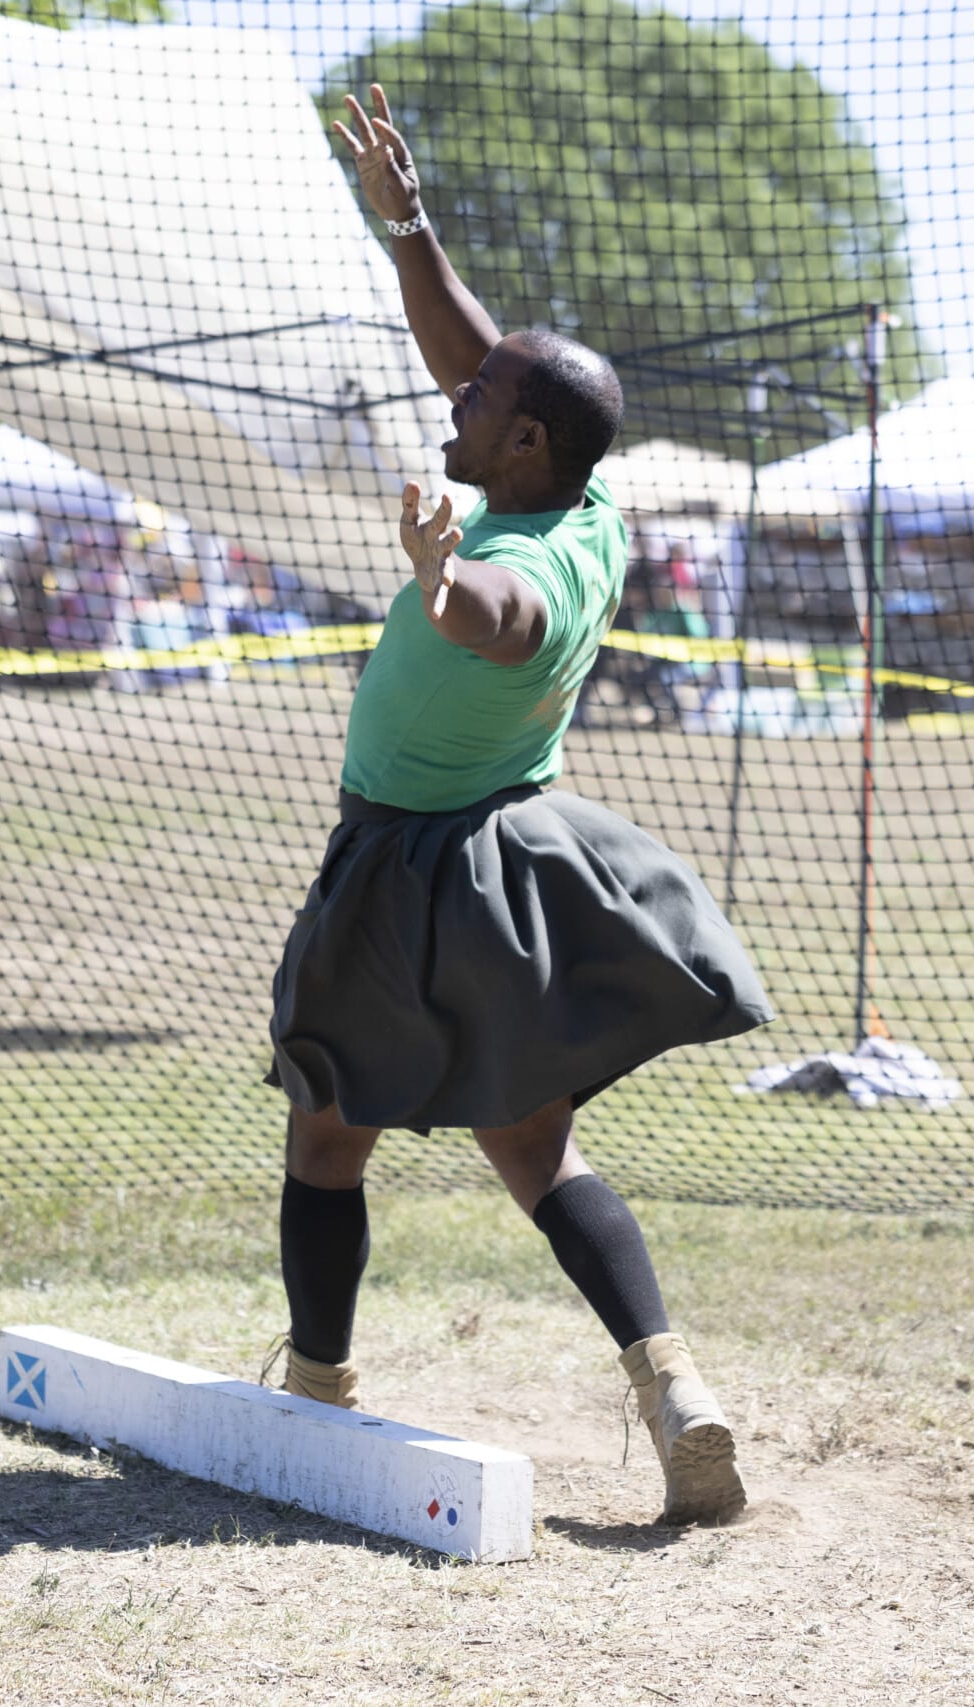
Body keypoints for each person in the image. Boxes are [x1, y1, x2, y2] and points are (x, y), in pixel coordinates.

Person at [267, 87, 774, 1527]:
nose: (457, 398)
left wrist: (439, 577)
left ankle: (316, 1393)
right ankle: (675, 1389)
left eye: (479, 407)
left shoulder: (529, 563)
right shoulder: (585, 497)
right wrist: (408, 227)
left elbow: (500, 620)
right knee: (537, 1148)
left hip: (408, 875)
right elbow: (480, 355)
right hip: (506, 860)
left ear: (526, 446)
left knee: (326, 1131)